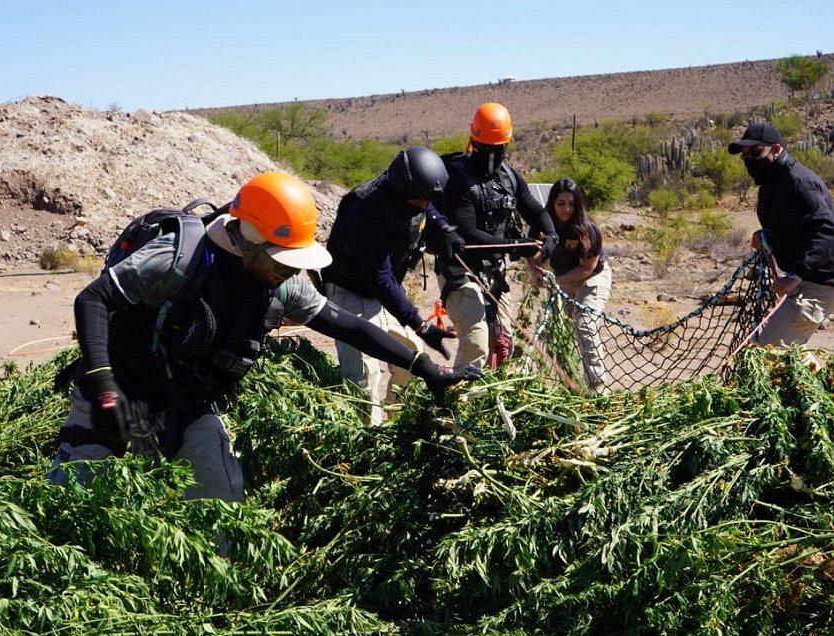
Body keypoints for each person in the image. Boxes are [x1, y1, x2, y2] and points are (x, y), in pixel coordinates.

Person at [47, 171, 483, 503]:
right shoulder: (179, 259)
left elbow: (346, 324)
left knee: (224, 504)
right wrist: (104, 387)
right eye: (282, 259)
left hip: (186, 400)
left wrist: (427, 368)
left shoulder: (282, 281)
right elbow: (93, 300)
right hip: (117, 388)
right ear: (248, 238)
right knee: (70, 503)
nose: (290, 270)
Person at [319, 147, 465, 424]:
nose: (425, 205)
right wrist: (420, 325)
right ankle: (367, 442)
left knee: (410, 363)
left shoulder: (412, 192)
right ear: (403, 193)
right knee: (364, 377)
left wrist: (445, 229)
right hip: (350, 295)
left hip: (383, 297)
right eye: (421, 201)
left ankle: (396, 425)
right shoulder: (365, 211)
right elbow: (380, 278)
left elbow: (429, 207)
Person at [436, 102, 558, 369]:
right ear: (474, 141)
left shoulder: (509, 178)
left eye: (499, 148)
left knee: (503, 346)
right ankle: (456, 403)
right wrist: (519, 246)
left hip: (494, 271)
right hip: (460, 270)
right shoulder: (457, 179)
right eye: (487, 149)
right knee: (477, 342)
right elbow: (469, 234)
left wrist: (550, 234)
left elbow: (535, 210)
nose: (493, 155)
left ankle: (489, 404)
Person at [728, 121, 834, 346]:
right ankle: (827, 382)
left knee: (770, 351)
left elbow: (826, 231)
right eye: (745, 156)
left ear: (775, 149)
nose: (750, 161)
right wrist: (767, 237)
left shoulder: (800, 182)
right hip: (808, 279)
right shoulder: (772, 182)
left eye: (756, 152)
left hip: (822, 281)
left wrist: (795, 277)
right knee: (790, 353)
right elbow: (793, 226)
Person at [534, 178, 611, 394]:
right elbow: (531, 251)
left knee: (584, 323)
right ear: (552, 203)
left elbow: (587, 268)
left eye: (571, 204)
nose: (566, 209)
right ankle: (569, 384)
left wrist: (555, 282)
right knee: (558, 331)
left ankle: (597, 386)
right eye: (561, 203)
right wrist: (535, 271)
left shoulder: (587, 230)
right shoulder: (543, 224)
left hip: (591, 278)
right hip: (562, 280)